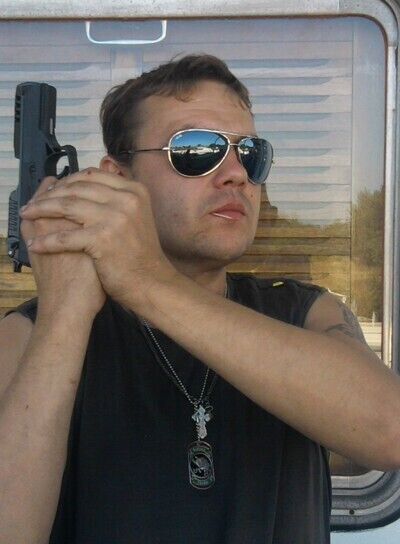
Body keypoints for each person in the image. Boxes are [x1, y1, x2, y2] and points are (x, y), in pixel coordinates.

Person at [0, 54, 399, 544]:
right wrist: (65, 310)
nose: (236, 174)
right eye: (196, 150)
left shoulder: (304, 311)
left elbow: (389, 430)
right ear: (117, 179)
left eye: (250, 153)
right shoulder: (33, 334)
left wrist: (145, 283)